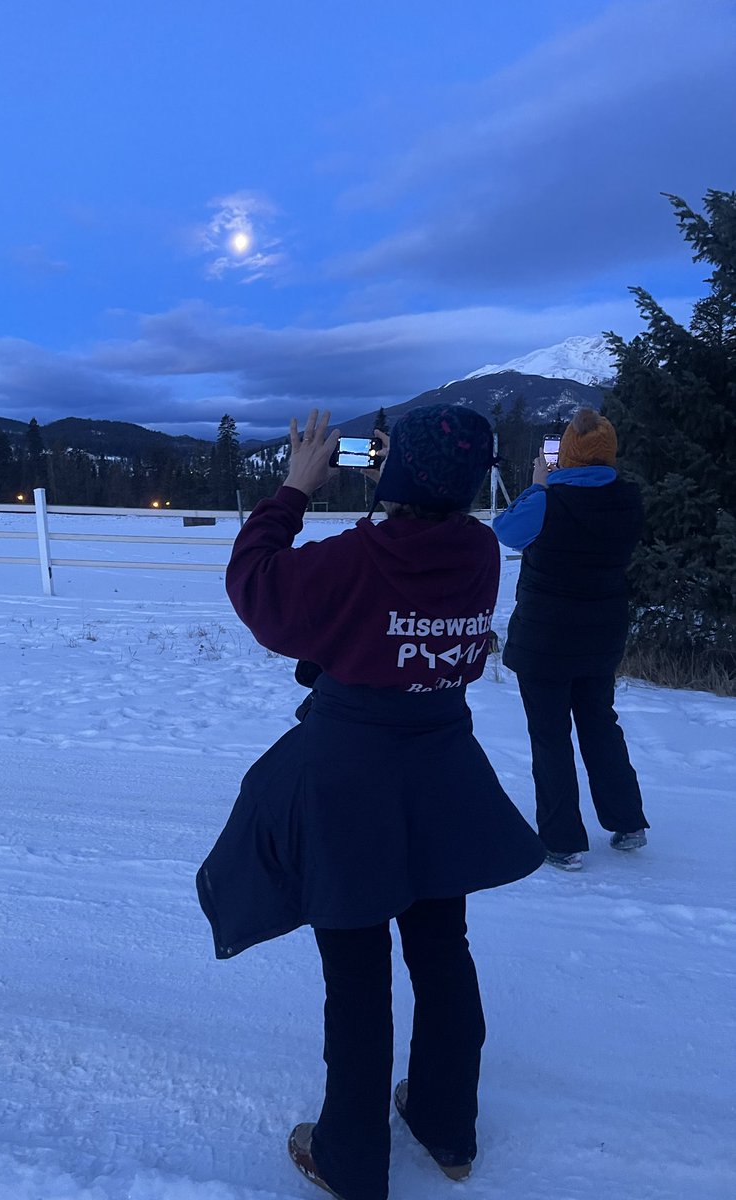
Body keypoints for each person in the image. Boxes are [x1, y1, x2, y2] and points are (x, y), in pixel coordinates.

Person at [196, 406, 544, 1200]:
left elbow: (255, 587)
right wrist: (409, 477)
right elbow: (426, 568)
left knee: (356, 972)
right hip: (442, 768)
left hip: (350, 779)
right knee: (442, 947)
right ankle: (447, 1126)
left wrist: (293, 489)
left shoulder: (356, 559)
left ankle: (349, 1159)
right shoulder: (479, 551)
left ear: (397, 473)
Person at [493, 408, 650, 872]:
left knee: (550, 736)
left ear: (564, 455)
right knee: (601, 724)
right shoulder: (629, 500)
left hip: (544, 639)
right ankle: (628, 822)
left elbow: (505, 531)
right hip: (602, 636)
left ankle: (562, 841)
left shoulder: (547, 501)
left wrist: (539, 485)